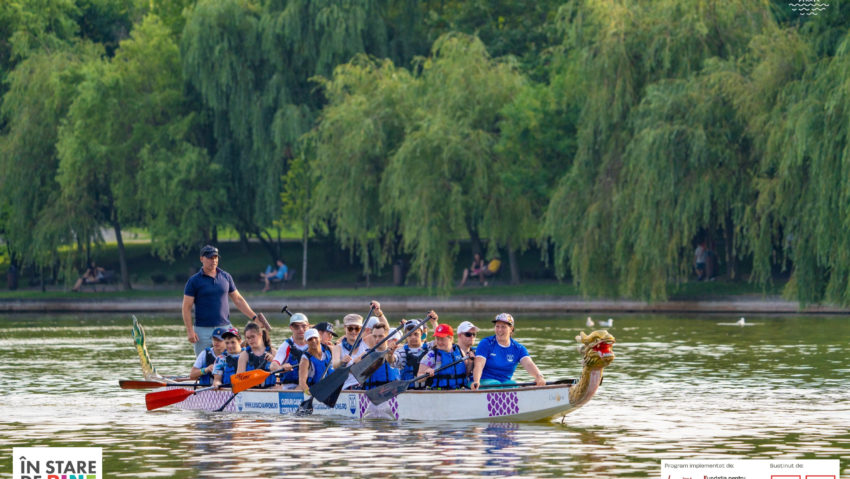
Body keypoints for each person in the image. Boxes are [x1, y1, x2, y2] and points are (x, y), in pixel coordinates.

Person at [182, 245, 270, 356]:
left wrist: (255, 318)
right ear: (201, 259)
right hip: (202, 330)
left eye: (215, 257)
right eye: (210, 257)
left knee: (232, 359)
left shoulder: (226, 277)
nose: (213, 260)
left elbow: (238, 300)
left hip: (224, 327)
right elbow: (186, 307)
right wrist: (190, 331)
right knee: (203, 362)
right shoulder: (193, 281)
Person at [470, 313, 546, 389]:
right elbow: (479, 364)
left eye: (503, 327)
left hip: (504, 383)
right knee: (496, 384)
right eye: (497, 326)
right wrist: (476, 381)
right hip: (483, 381)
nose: (499, 330)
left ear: (511, 329)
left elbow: (529, 364)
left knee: (513, 385)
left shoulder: (518, 348)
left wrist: (539, 376)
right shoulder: (486, 343)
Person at [417, 324, 471, 390]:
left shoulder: (460, 351)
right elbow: (419, 378)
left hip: (459, 391)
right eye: (437, 339)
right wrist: (426, 373)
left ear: (451, 338)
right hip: (438, 393)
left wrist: (471, 361)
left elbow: (467, 373)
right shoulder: (431, 355)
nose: (439, 342)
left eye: (442, 339)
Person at [270, 312, 310, 389]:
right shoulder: (286, 346)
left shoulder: (314, 342)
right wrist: (281, 368)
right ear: (291, 327)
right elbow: (273, 366)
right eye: (296, 326)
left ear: (308, 326)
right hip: (290, 387)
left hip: (311, 385)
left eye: (304, 326)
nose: (301, 329)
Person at [360, 322, 400, 390]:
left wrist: (390, 354)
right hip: (371, 394)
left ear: (388, 336)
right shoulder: (366, 354)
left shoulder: (396, 352)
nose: (377, 339)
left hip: (391, 395)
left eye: (380, 336)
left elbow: (391, 360)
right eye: (374, 336)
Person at [237, 322, 277, 388]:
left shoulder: (273, 352)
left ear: (260, 335)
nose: (250, 340)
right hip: (251, 391)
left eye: (253, 337)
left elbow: (282, 373)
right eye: (248, 338)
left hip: (271, 390)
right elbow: (239, 380)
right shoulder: (244, 355)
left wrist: (273, 361)